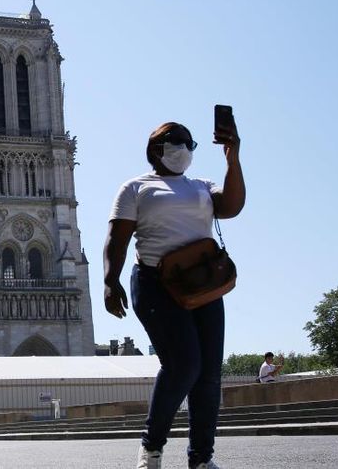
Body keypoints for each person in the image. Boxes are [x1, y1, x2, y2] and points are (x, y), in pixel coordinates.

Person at [103, 118, 245, 469]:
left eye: (190, 143)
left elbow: (231, 207)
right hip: (155, 284)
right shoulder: (135, 188)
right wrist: (110, 280)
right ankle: (152, 445)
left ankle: (201, 458)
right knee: (183, 365)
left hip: (203, 285)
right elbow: (117, 239)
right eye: (177, 142)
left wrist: (233, 158)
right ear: (156, 150)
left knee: (209, 374)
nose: (185, 149)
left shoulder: (203, 185)